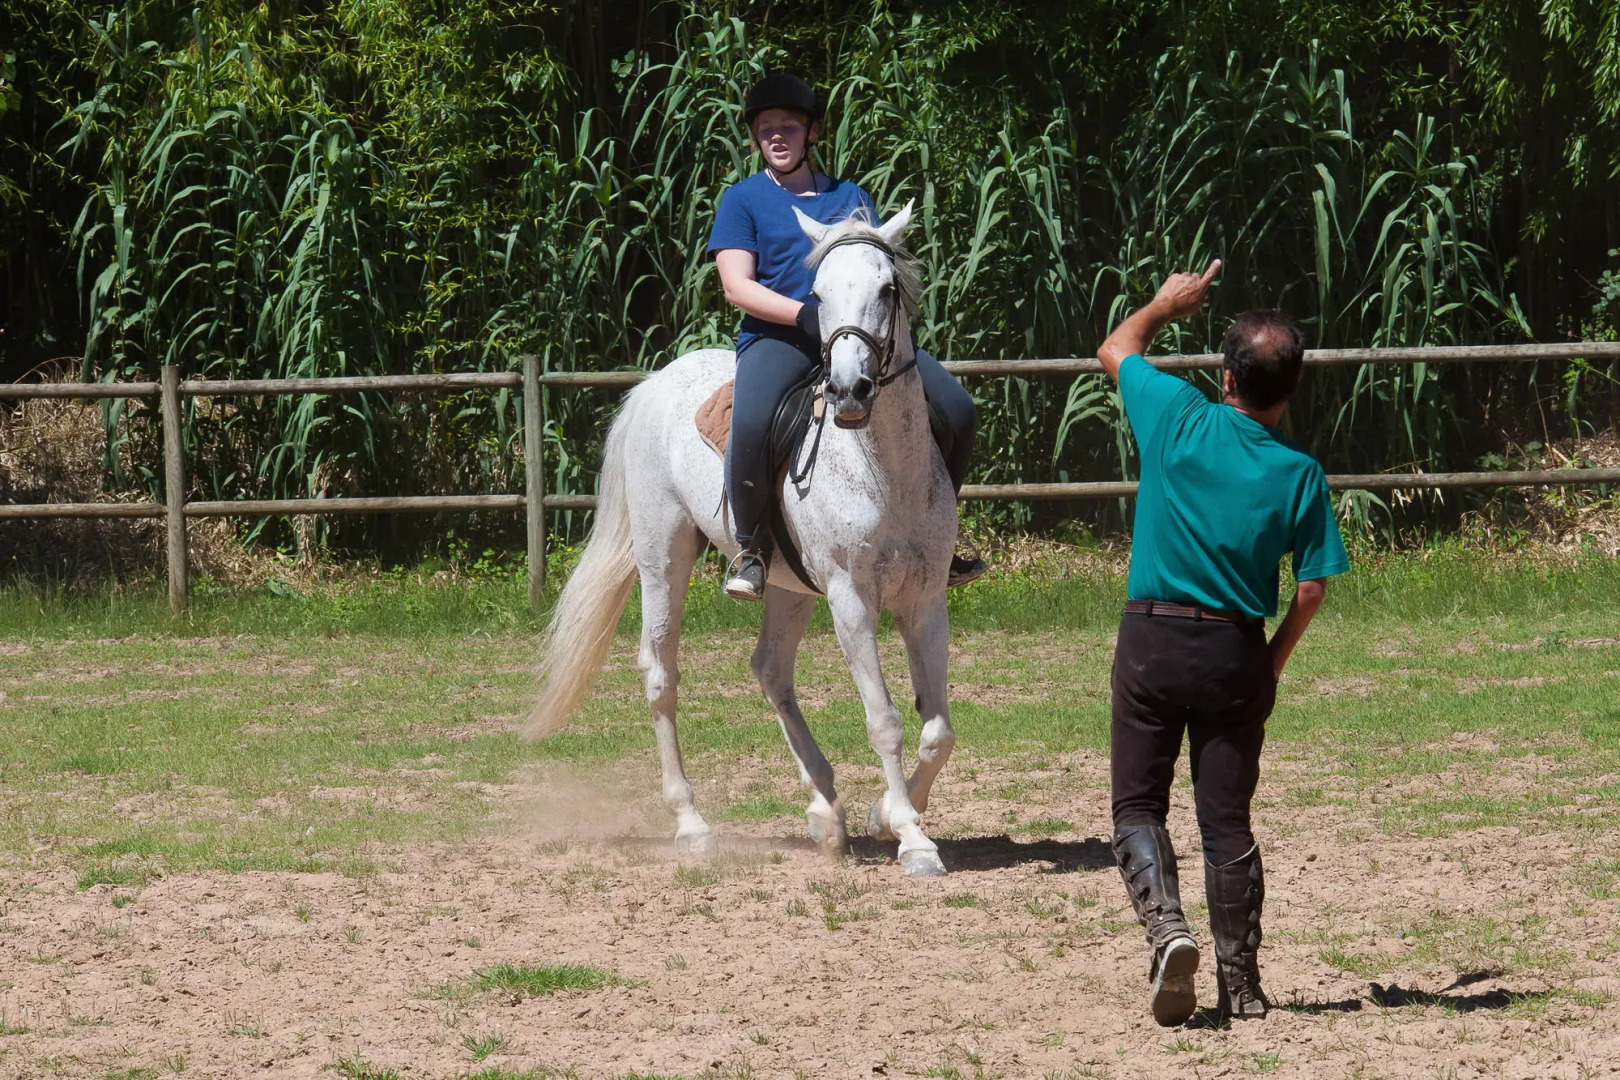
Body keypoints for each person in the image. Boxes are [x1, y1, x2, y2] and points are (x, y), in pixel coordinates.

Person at [1095, 261, 1349, 1026]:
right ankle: (1241, 985)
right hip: (1235, 650)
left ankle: (1167, 928)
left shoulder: (1177, 414)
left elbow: (1116, 348)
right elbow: (1311, 587)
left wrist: (1166, 304)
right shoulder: (1300, 473)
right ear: (1292, 386)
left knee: (1137, 804)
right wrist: (1269, 661)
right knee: (1226, 823)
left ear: (1226, 377)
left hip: (1151, 638)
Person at [706, 73, 986, 600]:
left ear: (812, 132)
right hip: (781, 338)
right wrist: (804, 317)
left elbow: (878, 271)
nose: (777, 136)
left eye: (789, 126)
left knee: (958, 408)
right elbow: (736, 286)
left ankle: (938, 538)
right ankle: (751, 547)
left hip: (862, 339)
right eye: (766, 129)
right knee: (751, 421)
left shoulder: (850, 196)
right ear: (756, 137)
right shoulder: (742, 200)